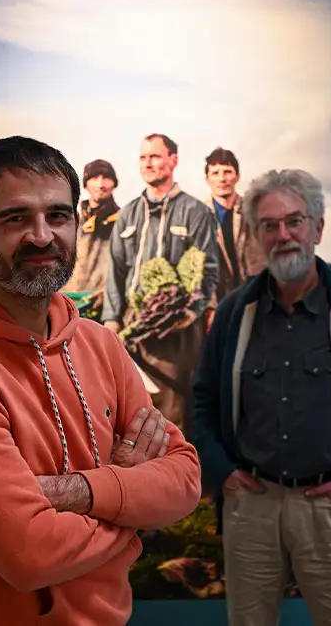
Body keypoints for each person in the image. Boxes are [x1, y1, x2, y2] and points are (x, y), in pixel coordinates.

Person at [0, 135, 202, 626]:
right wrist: (133, 511)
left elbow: (185, 480)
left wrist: (75, 491)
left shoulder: (99, 344)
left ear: (76, 224)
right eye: (15, 218)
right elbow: (29, 555)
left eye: (57, 215)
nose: (42, 236)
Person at [193, 168, 331, 626]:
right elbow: (202, 401)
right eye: (269, 225)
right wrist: (221, 471)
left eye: (294, 221)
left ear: (319, 228)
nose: (283, 235)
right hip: (252, 506)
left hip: (330, 509)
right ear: (256, 235)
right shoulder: (234, 312)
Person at [102, 133, 219, 436]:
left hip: (175, 333)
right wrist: (113, 320)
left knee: (172, 415)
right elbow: (114, 270)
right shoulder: (128, 214)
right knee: (132, 415)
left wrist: (191, 311)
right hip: (132, 332)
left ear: (173, 161)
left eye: (155, 156)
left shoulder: (195, 212)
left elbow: (208, 269)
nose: (149, 163)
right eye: (143, 157)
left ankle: (180, 479)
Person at [204, 147, 265, 304]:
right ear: (207, 179)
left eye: (227, 172)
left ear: (237, 177)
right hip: (216, 304)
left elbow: (262, 261)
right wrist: (210, 308)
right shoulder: (198, 216)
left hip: (251, 299)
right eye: (215, 173)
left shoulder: (254, 212)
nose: (222, 179)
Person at [63, 158, 119, 303]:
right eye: (94, 178)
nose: (100, 184)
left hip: (102, 302)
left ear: (114, 184)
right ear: (86, 184)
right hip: (68, 300)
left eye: (106, 178)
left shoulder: (122, 223)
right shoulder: (72, 221)